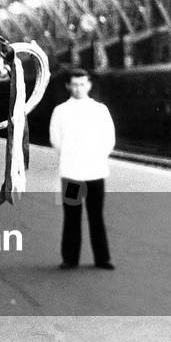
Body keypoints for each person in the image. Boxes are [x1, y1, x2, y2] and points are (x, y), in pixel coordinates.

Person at [49, 67, 116, 270]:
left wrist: (95, 156)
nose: (79, 88)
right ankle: (70, 259)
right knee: (72, 217)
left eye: (82, 84)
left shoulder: (100, 110)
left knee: (96, 216)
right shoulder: (60, 111)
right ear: (68, 86)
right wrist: (71, 156)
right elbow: (55, 140)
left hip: (96, 172)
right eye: (75, 84)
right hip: (71, 173)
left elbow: (109, 139)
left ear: (89, 85)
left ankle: (102, 259)